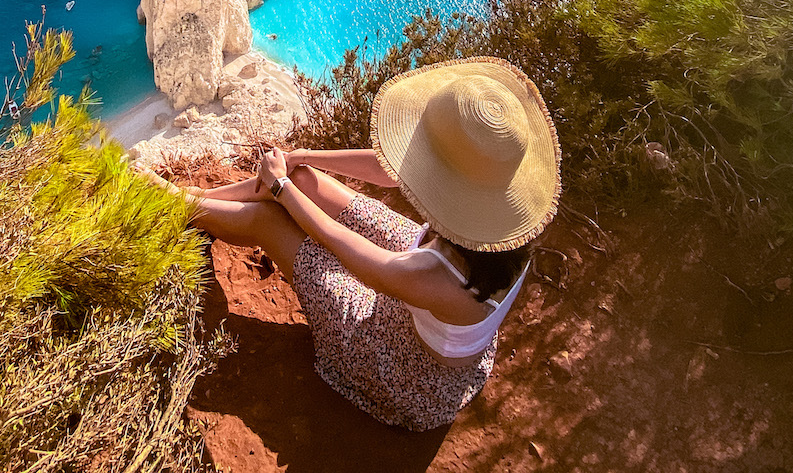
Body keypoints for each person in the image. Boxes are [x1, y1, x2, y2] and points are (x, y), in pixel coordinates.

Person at [150, 57, 561, 431]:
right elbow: (390, 168)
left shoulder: (438, 276)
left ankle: (175, 204)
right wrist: (304, 159)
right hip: (423, 291)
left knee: (269, 221)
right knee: (308, 180)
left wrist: (280, 187)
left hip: (401, 368)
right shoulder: (507, 223)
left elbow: (346, 249)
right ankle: (186, 197)